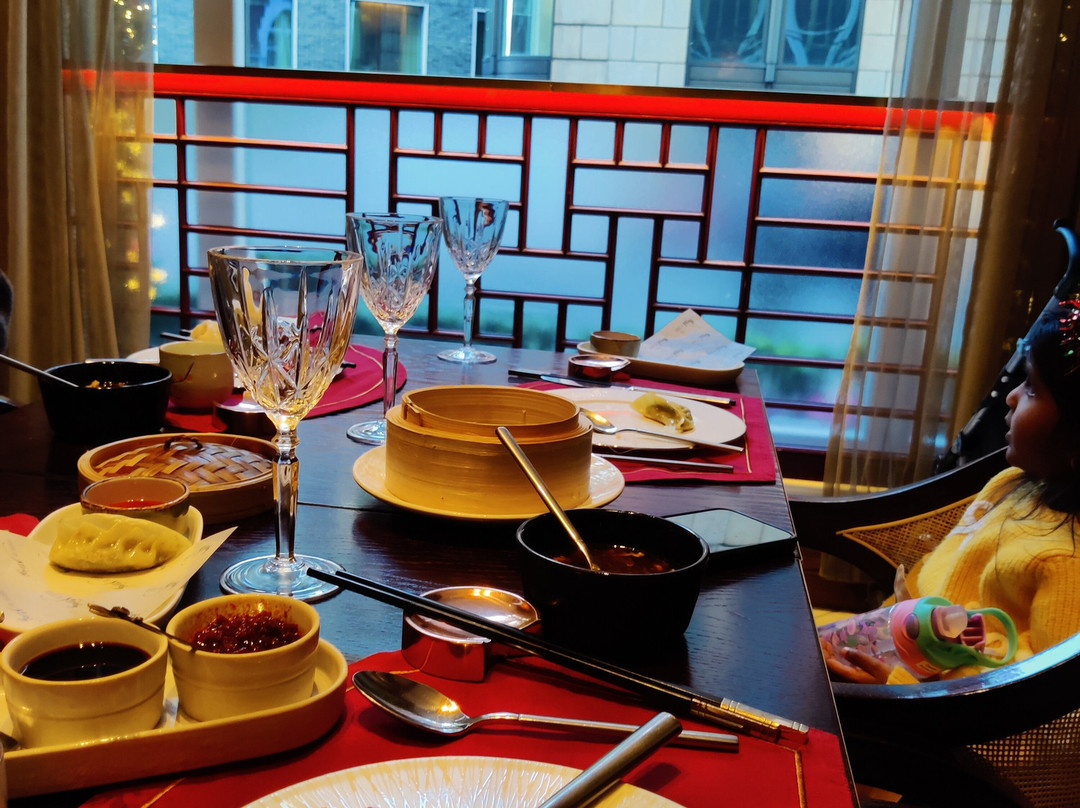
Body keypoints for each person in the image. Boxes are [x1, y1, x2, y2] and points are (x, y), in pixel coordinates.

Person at [823, 297, 1080, 684]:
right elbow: (933, 576)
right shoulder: (1011, 483)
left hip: (929, 705)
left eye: (1032, 389)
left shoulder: (1066, 563)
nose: (1011, 396)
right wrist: (874, 628)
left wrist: (898, 688)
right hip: (888, 646)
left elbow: (1043, 701)